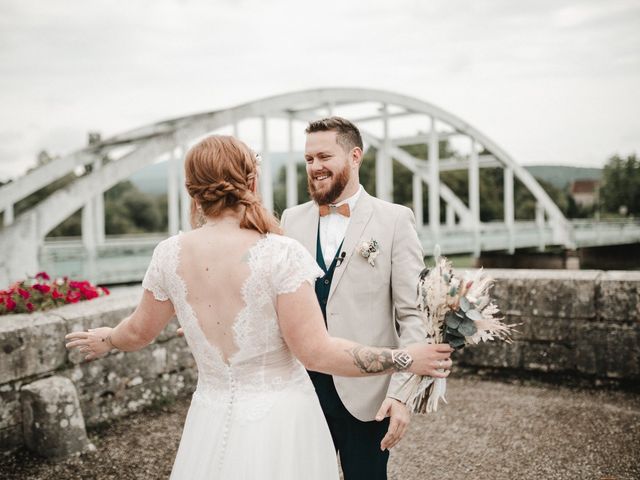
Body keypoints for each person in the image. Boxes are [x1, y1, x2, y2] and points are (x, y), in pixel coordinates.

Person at [65, 135, 453, 480]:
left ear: (191, 190)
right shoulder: (278, 252)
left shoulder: (169, 253)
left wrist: (108, 339)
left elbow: (138, 332)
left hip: (211, 416)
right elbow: (315, 350)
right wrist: (405, 360)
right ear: (251, 182)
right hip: (281, 420)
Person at [280, 117, 428, 480]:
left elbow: (414, 316)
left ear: (355, 156)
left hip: (369, 396)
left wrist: (403, 394)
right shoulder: (290, 220)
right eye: (308, 159)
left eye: (324, 157)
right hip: (301, 391)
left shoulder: (395, 220)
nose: (314, 167)